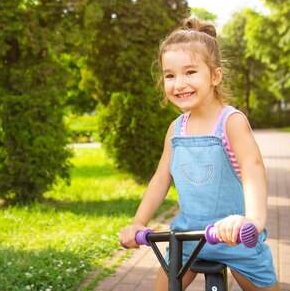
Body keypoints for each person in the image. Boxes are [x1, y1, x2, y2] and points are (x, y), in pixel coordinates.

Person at [119, 17, 279, 291]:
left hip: (234, 236)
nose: (179, 83)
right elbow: (161, 179)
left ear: (215, 76)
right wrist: (138, 221)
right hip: (187, 238)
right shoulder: (176, 129)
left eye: (190, 72)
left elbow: (253, 171)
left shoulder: (231, 122)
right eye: (170, 75)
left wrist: (252, 220)